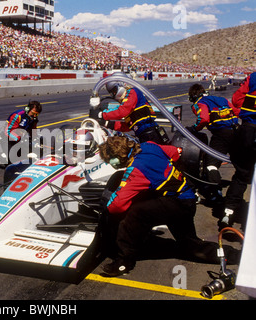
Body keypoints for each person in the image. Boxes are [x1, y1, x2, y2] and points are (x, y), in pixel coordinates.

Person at [98, 136, 219, 277]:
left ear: (118, 156)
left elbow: (116, 206)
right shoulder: (148, 145)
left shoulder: (136, 170)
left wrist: (108, 203)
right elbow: (175, 152)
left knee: (133, 214)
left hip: (178, 204)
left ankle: (124, 261)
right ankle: (231, 254)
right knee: (191, 246)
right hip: (185, 196)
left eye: (110, 160)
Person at [187, 83, 239, 203]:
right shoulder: (223, 99)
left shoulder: (200, 103)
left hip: (221, 136)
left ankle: (217, 193)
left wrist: (195, 129)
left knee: (210, 165)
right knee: (241, 167)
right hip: (237, 132)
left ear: (193, 96)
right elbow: (237, 111)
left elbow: (203, 118)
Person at [220, 72, 256, 229]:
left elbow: (236, 99)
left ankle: (228, 212)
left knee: (241, 175)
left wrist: (246, 114)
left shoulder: (254, 77)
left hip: (247, 130)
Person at [98, 76, 168, 144]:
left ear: (122, 84)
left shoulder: (133, 92)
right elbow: (128, 126)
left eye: (114, 90)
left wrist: (102, 114)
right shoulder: (127, 103)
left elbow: (122, 111)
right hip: (143, 135)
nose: (113, 94)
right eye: (111, 93)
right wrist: (108, 124)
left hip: (151, 134)